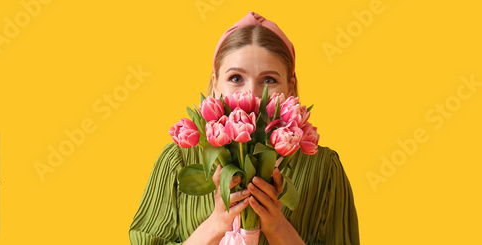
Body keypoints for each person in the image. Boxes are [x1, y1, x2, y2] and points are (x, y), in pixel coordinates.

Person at [129, 12, 360, 245]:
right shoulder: (176, 159)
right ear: (216, 84)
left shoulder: (324, 167)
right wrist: (216, 225)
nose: (252, 94)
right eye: (236, 78)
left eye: (269, 80)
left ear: (290, 88)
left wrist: (277, 227)